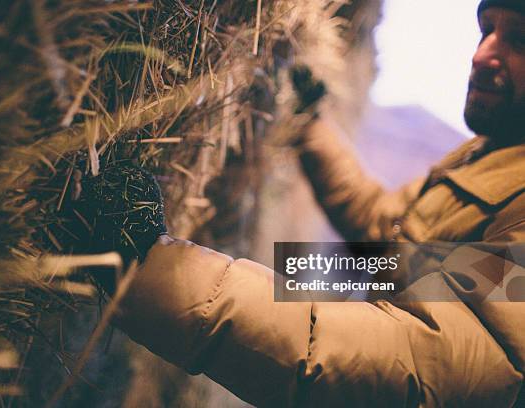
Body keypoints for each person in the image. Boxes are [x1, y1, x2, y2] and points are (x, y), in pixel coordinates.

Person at [97, 1, 525, 406]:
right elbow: (388, 236)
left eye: (519, 40)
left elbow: (424, 361)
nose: (483, 53)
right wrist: (311, 124)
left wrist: (155, 270)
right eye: (486, 30)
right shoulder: (488, 153)